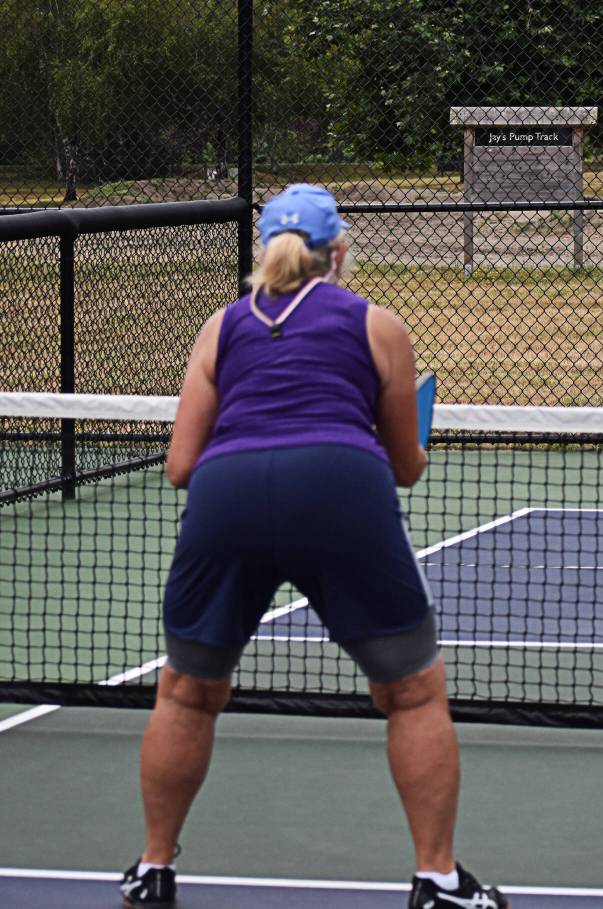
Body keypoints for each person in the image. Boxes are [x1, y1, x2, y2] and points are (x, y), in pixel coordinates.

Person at [119, 184, 507, 909]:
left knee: (187, 690)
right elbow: (405, 467)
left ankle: (152, 870)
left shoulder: (221, 326)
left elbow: (180, 466)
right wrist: (406, 439)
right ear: (340, 254)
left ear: (265, 251)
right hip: (339, 487)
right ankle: (438, 880)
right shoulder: (377, 325)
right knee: (413, 692)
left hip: (227, 495)